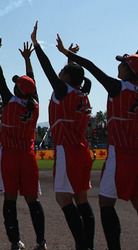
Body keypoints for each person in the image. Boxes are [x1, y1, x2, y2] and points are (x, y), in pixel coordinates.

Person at [57, 35, 138, 250]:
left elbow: (91, 67)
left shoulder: (118, 87)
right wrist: (137, 61)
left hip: (121, 153)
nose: (118, 68)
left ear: (127, 71)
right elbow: (134, 78)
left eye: (122, 65)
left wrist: (68, 54)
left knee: (105, 203)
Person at [30, 22, 95, 249]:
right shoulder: (82, 93)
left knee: (64, 200)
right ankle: (88, 245)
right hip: (82, 149)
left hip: (67, 150)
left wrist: (37, 45)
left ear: (66, 77)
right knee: (82, 200)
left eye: (63, 71)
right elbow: (72, 77)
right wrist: (70, 57)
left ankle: (82, 244)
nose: (59, 73)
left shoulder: (62, 90)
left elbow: (47, 68)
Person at [0, 37, 46, 250]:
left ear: (17, 90)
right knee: (33, 201)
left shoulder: (9, 102)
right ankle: (41, 241)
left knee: (10, 200)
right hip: (28, 155)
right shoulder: (36, 105)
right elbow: (32, 82)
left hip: (10, 155)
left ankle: (15, 242)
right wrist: (28, 60)